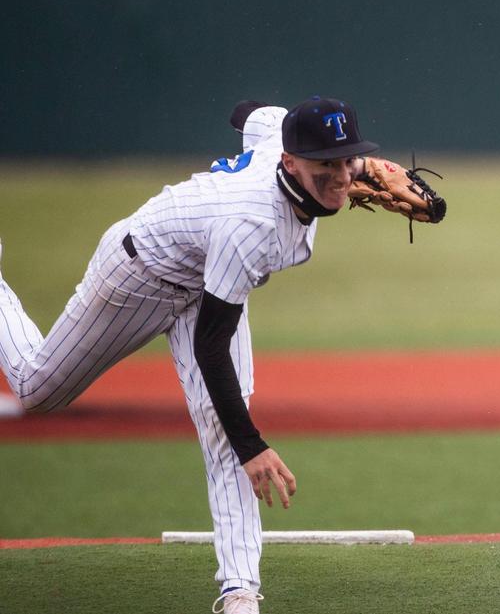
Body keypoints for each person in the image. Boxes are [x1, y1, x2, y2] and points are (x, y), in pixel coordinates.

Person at [0, 96, 383, 614]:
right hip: (139, 277)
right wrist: (253, 445)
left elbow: (248, 111)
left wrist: (345, 155)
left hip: (207, 279)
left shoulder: (280, 133)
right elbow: (211, 344)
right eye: (325, 165)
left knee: (223, 425)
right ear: (289, 163)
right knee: (35, 388)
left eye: (348, 159)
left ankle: (239, 592)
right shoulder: (251, 224)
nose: (341, 175)